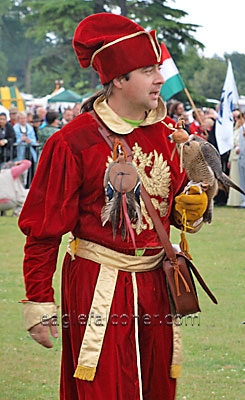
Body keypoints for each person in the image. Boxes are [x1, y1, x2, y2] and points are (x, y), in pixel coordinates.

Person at [18, 13, 207, 400]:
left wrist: (192, 206)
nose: (159, 79)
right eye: (148, 70)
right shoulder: (72, 142)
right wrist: (39, 300)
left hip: (157, 282)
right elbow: (43, 230)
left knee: (158, 385)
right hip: (97, 283)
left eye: (157, 69)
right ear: (119, 79)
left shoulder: (169, 137)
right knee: (101, 387)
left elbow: (175, 210)